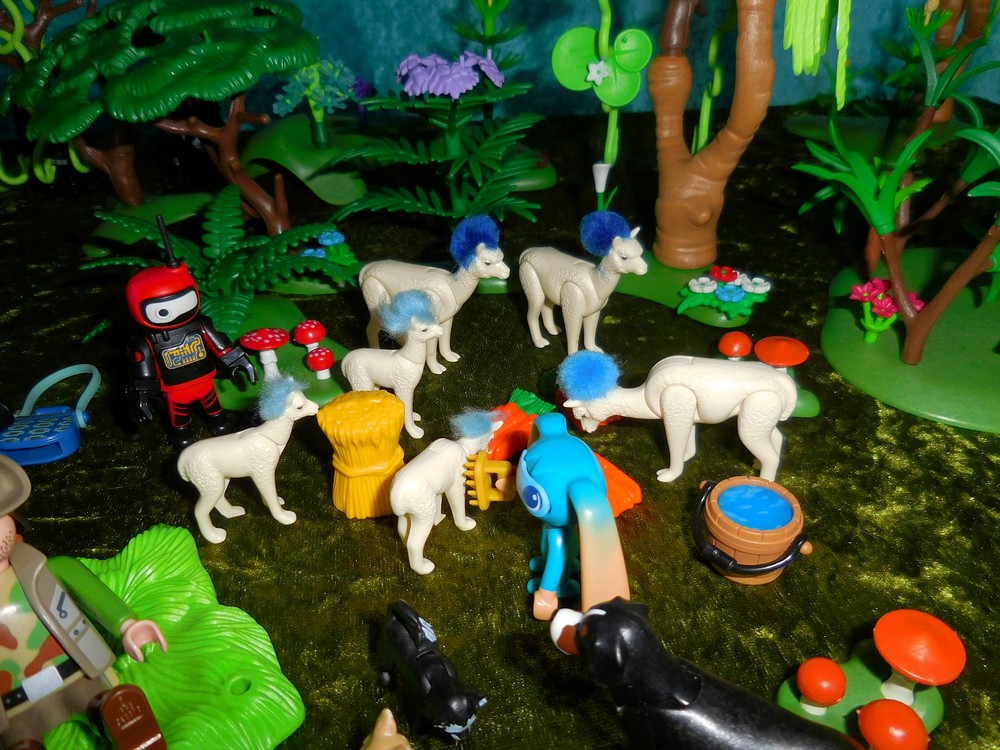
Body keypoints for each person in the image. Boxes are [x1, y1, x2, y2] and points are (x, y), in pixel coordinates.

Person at [0, 455, 167, 749]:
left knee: (106, 704)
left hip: (75, 673)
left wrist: (127, 624)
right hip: (13, 704)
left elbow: (89, 591)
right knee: (19, 740)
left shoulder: (46, 569)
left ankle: (123, 722)